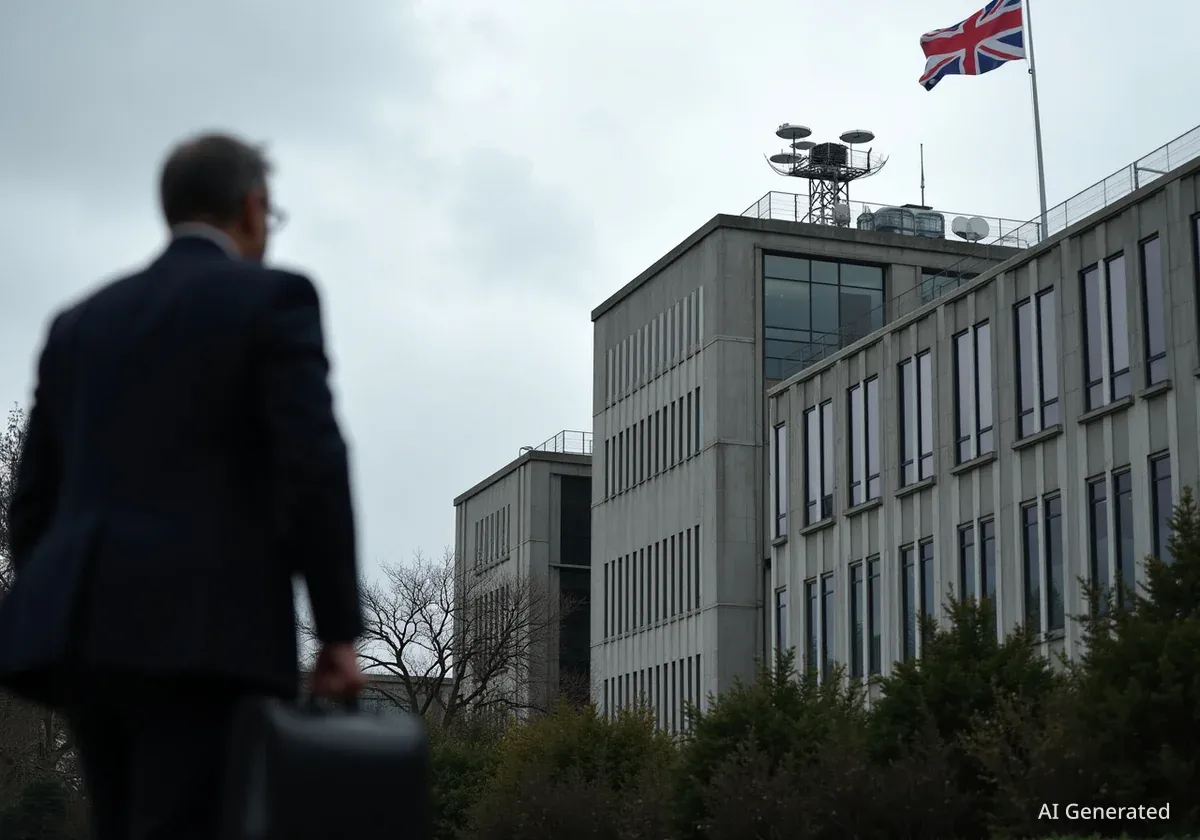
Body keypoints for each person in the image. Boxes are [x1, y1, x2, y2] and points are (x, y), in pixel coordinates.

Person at [0, 132, 367, 840]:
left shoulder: (80, 323)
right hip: (211, 632)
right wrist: (337, 630)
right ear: (255, 207)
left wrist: (54, 602)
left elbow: (32, 499)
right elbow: (313, 461)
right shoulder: (274, 299)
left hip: (88, 636)